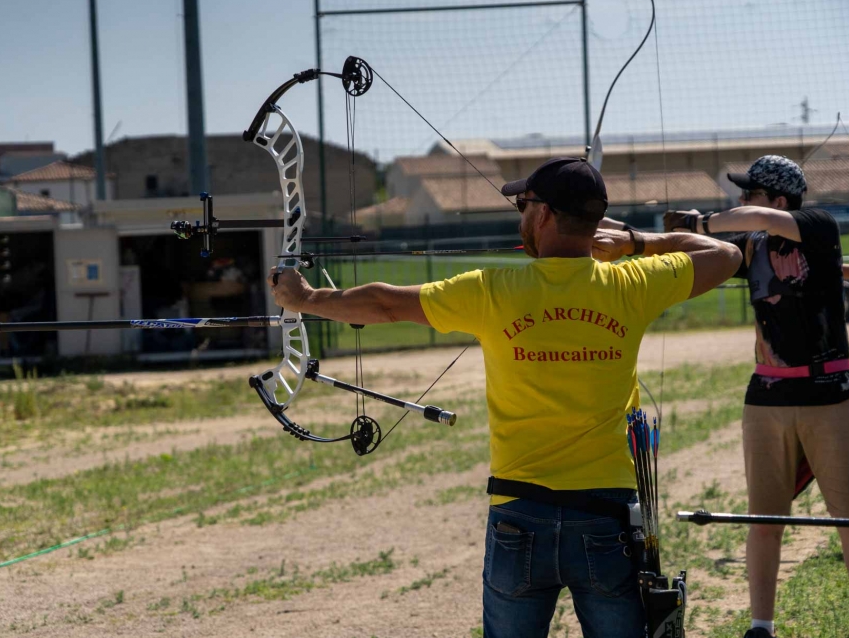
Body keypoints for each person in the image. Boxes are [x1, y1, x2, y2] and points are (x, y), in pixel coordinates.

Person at [270, 156, 741, 638]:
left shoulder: (494, 290)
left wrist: (305, 299)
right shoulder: (632, 284)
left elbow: (386, 303)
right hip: (605, 519)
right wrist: (637, 243)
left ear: (544, 215)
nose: (521, 213)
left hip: (520, 515)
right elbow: (726, 255)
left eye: (524, 203)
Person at [664, 154, 849, 638]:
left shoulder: (818, 226)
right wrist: (628, 239)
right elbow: (695, 249)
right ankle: (760, 626)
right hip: (766, 398)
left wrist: (703, 219)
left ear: (779, 199)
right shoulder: (750, 246)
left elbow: (758, 218)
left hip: (830, 395)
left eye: (749, 193)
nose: (742, 202)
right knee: (764, 517)